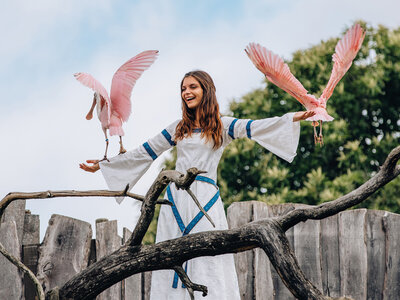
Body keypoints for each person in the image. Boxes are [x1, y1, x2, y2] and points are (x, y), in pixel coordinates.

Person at [80, 70, 315, 299]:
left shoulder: (223, 126)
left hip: (206, 199)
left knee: (209, 256)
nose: (186, 92)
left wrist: (295, 117)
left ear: (206, 90)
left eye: (193, 87)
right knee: (169, 253)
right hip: (175, 200)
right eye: (183, 88)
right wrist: (104, 165)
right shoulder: (178, 127)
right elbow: (144, 153)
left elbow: (256, 127)